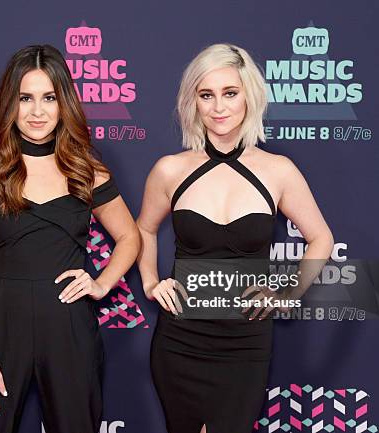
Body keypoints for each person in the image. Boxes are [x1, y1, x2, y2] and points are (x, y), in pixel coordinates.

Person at [136, 43, 334, 433]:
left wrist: (288, 294)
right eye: (206, 95)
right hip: (180, 340)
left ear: (250, 96)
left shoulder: (278, 171)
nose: (218, 107)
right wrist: (150, 281)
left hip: (245, 341)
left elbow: (321, 239)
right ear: (193, 102)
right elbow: (143, 228)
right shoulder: (170, 169)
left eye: (230, 93)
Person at [0, 44, 140, 433]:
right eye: (26, 98)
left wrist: (101, 282)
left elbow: (130, 236)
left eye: (49, 98)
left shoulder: (86, 170)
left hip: (70, 328)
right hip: (1, 328)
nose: (37, 111)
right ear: (10, 102)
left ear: (64, 104)